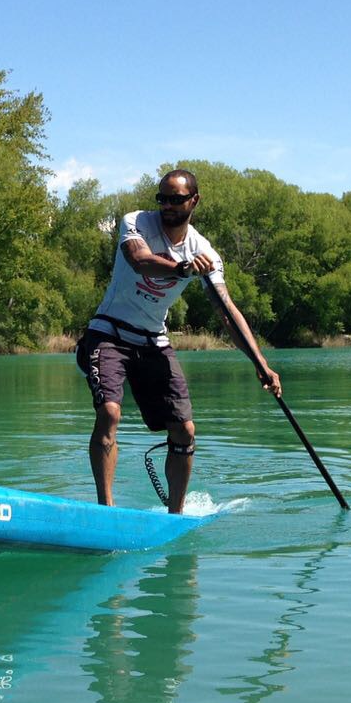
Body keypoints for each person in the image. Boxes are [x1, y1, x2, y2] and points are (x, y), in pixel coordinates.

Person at [76, 169, 280, 513]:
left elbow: (227, 312)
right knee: (110, 412)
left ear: (194, 201)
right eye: (163, 198)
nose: (167, 206)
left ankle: (176, 515)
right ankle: (105, 511)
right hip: (108, 332)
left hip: (153, 341)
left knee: (185, 430)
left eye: (176, 199)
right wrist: (184, 269)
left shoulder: (205, 252)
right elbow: (139, 261)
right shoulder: (136, 222)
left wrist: (261, 365)